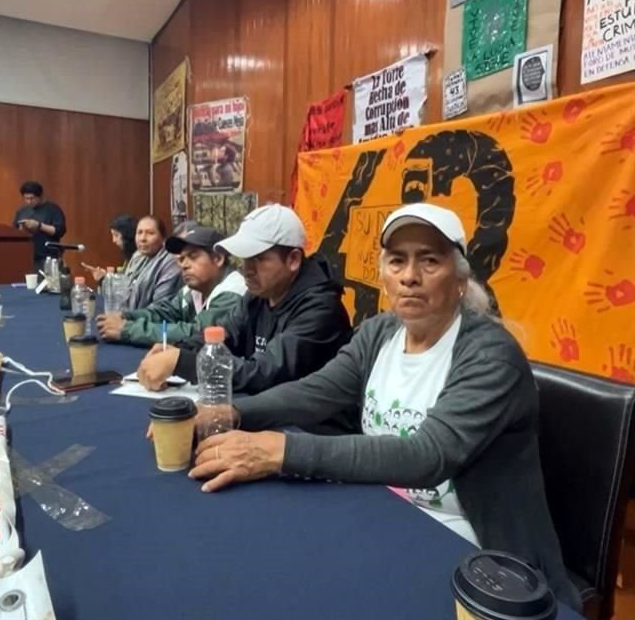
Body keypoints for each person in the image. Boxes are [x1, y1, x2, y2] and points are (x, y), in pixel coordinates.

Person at [185, 203, 581, 611]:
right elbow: (316, 392)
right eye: (397, 261)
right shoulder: (381, 332)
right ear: (384, 274)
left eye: (429, 260)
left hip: (478, 558)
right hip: (384, 512)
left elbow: (428, 455)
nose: (410, 276)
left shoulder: (490, 353)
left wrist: (278, 451)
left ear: (460, 278)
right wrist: (233, 413)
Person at [137, 204, 352, 395]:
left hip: (312, 430)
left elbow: (264, 374)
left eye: (258, 258)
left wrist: (182, 362)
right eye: (245, 258)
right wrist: (177, 351)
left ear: (293, 259)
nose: (247, 269)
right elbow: (220, 337)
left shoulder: (321, 310)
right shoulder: (257, 296)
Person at [97, 225, 246, 347]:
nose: (184, 265)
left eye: (193, 257)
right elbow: (164, 312)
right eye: (181, 259)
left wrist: (127, 329)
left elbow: (194, 333)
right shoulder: (194, 289)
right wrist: (125, 316)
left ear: (218, 259)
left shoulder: (233, 291)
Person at [123, 216, 182, 311]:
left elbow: (160, 306)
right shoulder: (138, 257)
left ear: (163, 238)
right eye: (139, 232)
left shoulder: (171, 262)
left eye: (150, 233)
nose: (143, 238)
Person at [12, 181, 66, 272]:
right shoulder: (22, 211)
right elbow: (14, 232)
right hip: (27, 257)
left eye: (32, 198)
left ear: (40, 196)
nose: (29, 201)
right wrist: (22, 230)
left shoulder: (52, 209)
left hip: (48, 258)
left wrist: (39, 226)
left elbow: (59, 231)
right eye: (26, 198)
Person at [82, 214, 142, 284]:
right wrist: (105, 276)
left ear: (128, 235)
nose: (114, 240)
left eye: (116, 235)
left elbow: (128, 287)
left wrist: (104, 278)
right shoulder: (130, 256)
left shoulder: (139, 257)